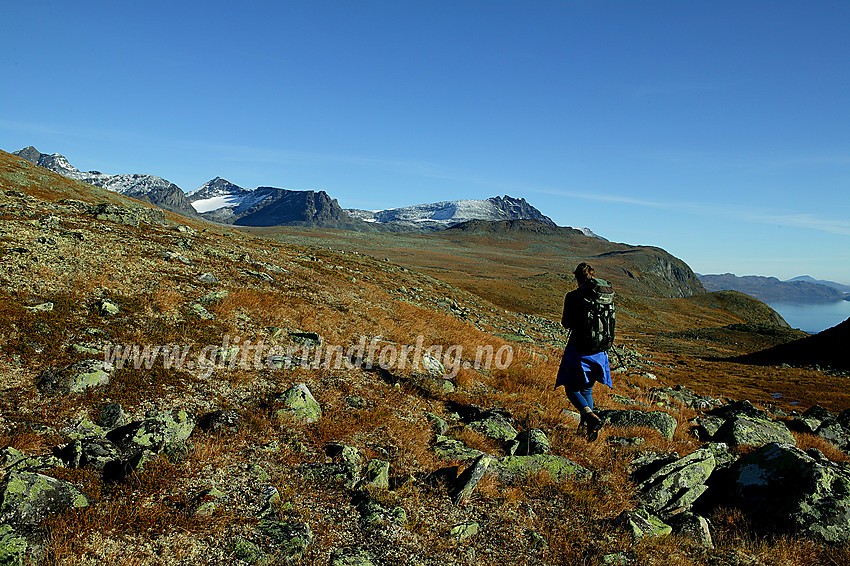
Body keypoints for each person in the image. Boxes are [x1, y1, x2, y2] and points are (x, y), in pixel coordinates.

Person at [555, 262, 614, 441]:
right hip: (600, 352)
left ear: (577, 278)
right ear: (592, 275)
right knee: (587, 390)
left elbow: (566, 323)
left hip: (578, 350)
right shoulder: (604, 296)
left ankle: (590, 417)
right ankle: (587, 431)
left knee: (571, 388)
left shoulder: (573, 296)